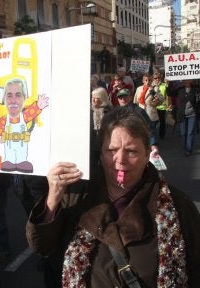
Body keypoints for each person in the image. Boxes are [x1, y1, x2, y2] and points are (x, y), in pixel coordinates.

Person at [26, 107, 200, 288]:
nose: (120, 159)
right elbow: (41, 247)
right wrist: (53, 197)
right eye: (111, 150)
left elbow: (195, 269)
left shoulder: (177, 204)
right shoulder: (77, 195)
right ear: (100, 153)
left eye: (132, 151)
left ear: (147, 154)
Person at [0, 78, 49, 173]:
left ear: (25, 98)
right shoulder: (4, 120)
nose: (13, 100)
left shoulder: (24, 116)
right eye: (9, 96)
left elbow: (32, 112)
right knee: (9, 154)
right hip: (9, 147)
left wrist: (38, 106)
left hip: (21, 146)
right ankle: (9, 161)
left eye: (18, 95)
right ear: (4, 99)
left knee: (21, 153)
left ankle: (21, 161)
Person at [117, 88, 159, 153]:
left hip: (135, 146)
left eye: (125, 96)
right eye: (120, 97)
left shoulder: (139, 111)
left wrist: (153, 145)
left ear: (131, 97)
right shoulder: (116, 112)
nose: (123, 99)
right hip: (121, 146)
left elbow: (149, 128)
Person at [90, 87, 112, 170]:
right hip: (91, 146)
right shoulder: (89, 111)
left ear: (102, 98)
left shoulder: (109, 111)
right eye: (92, 98)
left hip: (106, 145)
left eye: (96, 98)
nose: (93, 100)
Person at [176, 79, 198, 156]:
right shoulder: (180, 89)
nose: (187, 81)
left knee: (190, 132)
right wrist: (168, 84)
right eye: (186, 80)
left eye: (189, 79)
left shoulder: (196, 88)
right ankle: (186, 147)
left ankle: (188, 150)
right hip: (182, 114)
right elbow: (170, 93)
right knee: (183, 133)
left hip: (192, 114)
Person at [152, 71, 172, 139]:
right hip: (153, 107)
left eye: (159, 78)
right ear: (153, 78)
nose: (157, 79)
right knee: (153, 122)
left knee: (162, 122)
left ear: (161, 78)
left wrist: (168, 85)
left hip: (162, 107)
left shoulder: (164, 85)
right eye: (155, 78)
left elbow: (169, 94)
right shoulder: (151, 86)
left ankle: (162, 135)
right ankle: (153, 136)